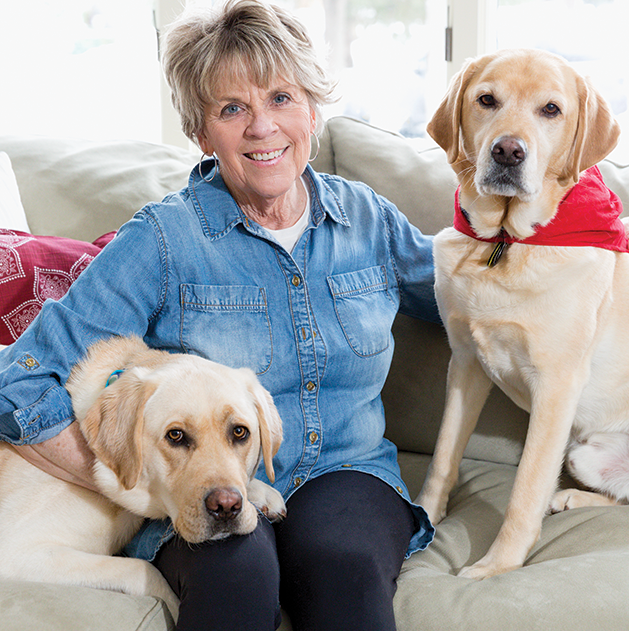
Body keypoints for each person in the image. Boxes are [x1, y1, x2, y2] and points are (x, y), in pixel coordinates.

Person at [0, 1, 438, 629]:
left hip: (344, 470)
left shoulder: (367, 218)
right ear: (203, 133)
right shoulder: (162, 239)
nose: (262, 127)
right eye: (232, 109)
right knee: (238, 576)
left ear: (312, 110)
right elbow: (19, 382)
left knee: (345, 568)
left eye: (282, 97)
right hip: (199, 484)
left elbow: (468, 293)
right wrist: (128, 483)